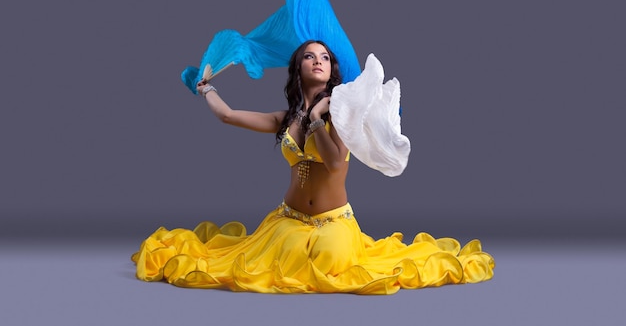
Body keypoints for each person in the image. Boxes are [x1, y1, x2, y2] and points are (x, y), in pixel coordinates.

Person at [132, 40, 495, 294]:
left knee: (333, 265)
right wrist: (205, 88)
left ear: (332, 69)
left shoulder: (342, 115)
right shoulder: (284, 118)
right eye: (309, 56)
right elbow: (229, 116)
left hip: (334, 222)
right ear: (298, 69)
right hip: (288, 220)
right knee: (268, 264)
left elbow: (336, 163)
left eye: (324, 56)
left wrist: (320, 117)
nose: (318, 60)